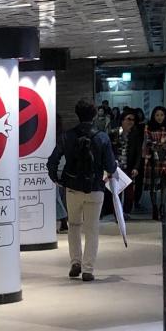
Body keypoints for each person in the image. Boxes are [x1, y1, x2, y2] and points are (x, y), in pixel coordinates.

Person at [47, 97, 117, 282]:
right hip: (95, 189)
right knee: (92, 228)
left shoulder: (67, 136)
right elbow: (111, 167)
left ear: (77, 114)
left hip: (72, 189)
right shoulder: (102, 137)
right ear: (94, 115)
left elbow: (52, 161)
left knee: (74, 226)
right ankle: (88, 269)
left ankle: (75, 263)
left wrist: (57, 179)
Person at [142, 105, 166, 221]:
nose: (160, 117)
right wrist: (159, 146)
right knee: (153, 185)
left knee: (165, 183)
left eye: (162, 115)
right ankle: (154, 208)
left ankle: (162, 207)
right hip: (153, 160)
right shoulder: (149, 127)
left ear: (165, 115)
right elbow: (148, 142)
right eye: (157, 115)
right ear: (153, 116)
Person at [112, 111, 143, 216]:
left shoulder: (136, 134)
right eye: (128, 119)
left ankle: (126, 211)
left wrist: (136, 167)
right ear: (122, 120)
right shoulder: (115, 133)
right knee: (117, 191)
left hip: (129, 166)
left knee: (129, 192)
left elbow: (139, 152)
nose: (131, 122)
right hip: (117, 166)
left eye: (133, 120)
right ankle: (118, 213)